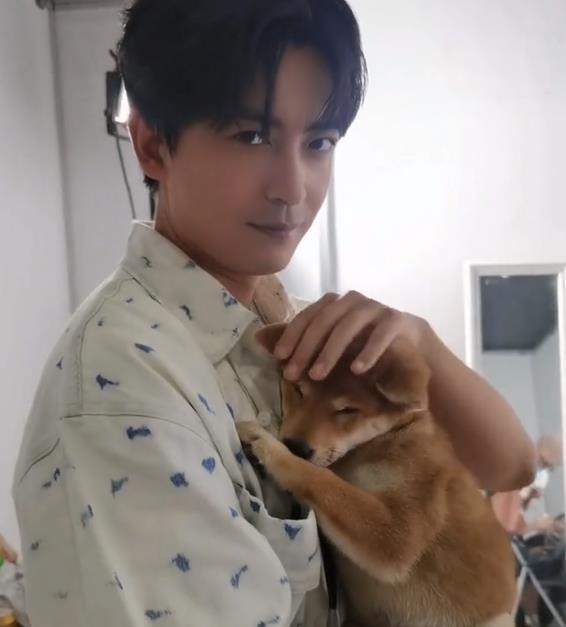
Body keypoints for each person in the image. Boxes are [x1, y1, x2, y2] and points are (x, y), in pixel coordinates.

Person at [12, 1, 536, 626]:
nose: (293, 187)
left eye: (318, 142)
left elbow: (509, 465)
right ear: (151, 145)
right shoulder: (129, 390)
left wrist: (418, 339)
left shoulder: (290, 327)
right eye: (251, 136)